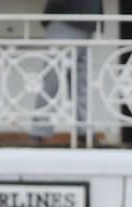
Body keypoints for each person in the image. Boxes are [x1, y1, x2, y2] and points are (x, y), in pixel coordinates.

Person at [31, 0, 101, 143]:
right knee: (57, 77)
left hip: (78, 21)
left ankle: (82, 129)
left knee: (74, 79)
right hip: (77, 21)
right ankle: (42, 129)